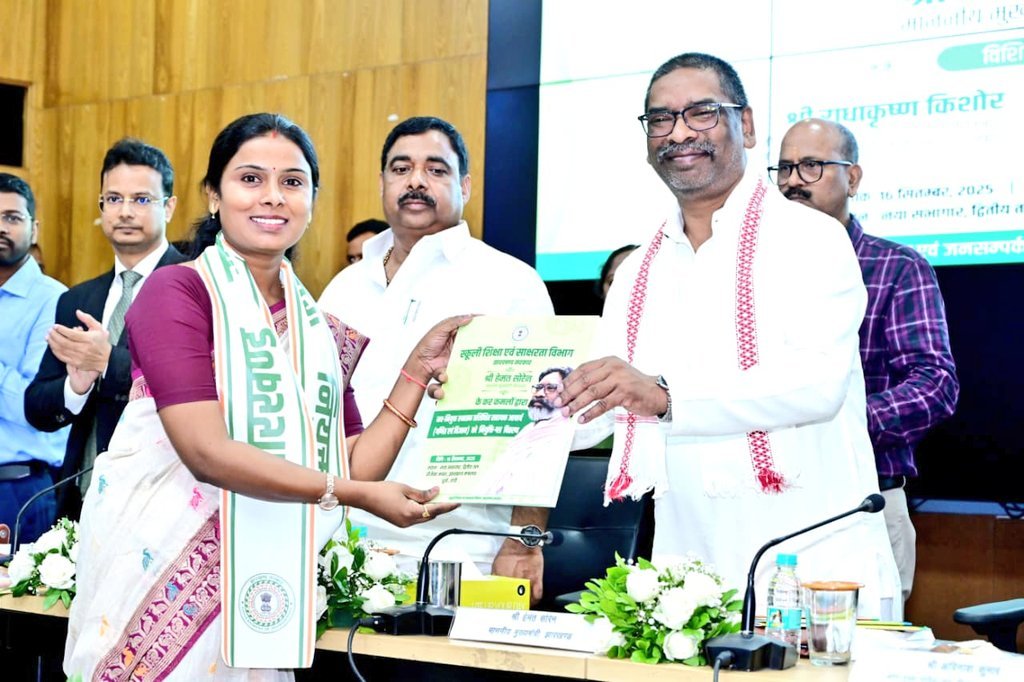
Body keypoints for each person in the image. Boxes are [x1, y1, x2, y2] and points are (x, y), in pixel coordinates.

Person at [63, 113, 465, 680]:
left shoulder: (317, 328)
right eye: (250, 179)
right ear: (213, 195)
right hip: (155, 568)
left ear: (313, 198)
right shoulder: (179, 290)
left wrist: (417, 372)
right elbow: (204, 451)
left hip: (264, 576)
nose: (273, 198)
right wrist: (350, 493)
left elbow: (353, 462)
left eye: (293, 182)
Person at [557, 53, 901, 619]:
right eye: (661, 119)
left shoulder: (810, 238)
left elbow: (816, 386)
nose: (680, 132)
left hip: (813, 567)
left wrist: (664, 396)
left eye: (701, 112)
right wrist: (502, 396)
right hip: (687, 580)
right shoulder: (639, 270)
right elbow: (596, 408)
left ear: (745, 125)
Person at [319, 116, 555, 603]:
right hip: (340, 545)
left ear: (465, 185)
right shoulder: (341, 289)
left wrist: (525, 540)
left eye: (436, 169)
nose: (416, 181)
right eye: (401, 168)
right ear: (383, 182)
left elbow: (543, 426)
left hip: (461, 547)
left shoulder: (509, 282)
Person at [772, 118, 958, 602]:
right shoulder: (756, 273)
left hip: (862, 499)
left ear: (852, 179)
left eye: (812, 166)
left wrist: (841, 420)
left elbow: (934, 384)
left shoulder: (895, 267)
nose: (793, 181)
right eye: (785, 168)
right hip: (766, 501)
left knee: (860, 662)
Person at [25, 139, 188, 520]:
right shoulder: (78, 299)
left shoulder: (195, 284)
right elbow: (37, 408)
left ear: (169, 206)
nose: (125, 212)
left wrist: (109, 362)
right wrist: (75, 387)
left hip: (168, 502)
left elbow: (199, 384)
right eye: (113, 199)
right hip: (85, 500)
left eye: (141, 200)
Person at [0, 173, 68, 545]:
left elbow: (34, 406)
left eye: (12, 217)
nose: (1, 227)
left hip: (16, 489)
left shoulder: (54, 300)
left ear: (34, 228)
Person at [481, 367, 575, 499]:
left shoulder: (567, 432)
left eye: (551, 388)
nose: (539, 394)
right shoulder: (525, 433)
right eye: (538, 387)